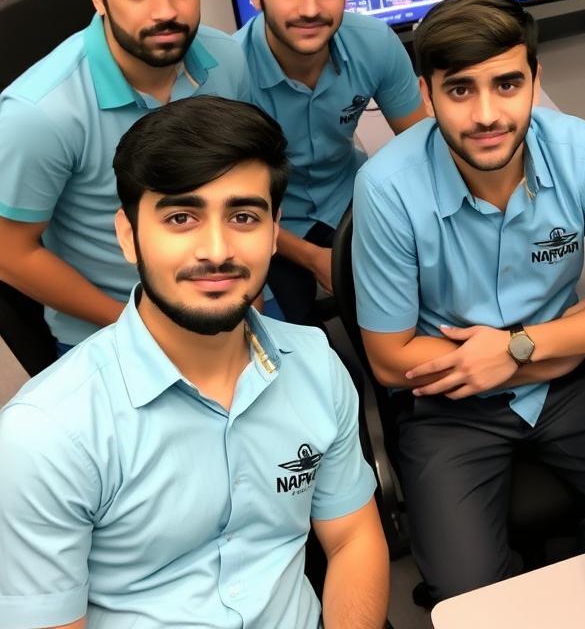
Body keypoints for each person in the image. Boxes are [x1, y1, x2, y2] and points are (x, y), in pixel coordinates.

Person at [0, 96, 389, 629]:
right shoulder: (47, 434)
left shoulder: (316, 364)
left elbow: (352, 538)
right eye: (181, 216)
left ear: (275, 232)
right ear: (127, 235)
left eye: (243, 216)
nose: (216, 249)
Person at [352, 0, 585, 603]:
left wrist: (528, 347)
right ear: (426, 94)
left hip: (565, 383)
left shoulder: (577, 148)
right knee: (466, 593)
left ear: (536, 79)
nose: (486, 115)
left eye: (507, 85)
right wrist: (581, 338)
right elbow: (389, 357)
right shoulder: (386, 188)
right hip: (452, 403)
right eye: (460, 90)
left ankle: (583, 543)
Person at [0, 0, 248, 352]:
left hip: (228, 303)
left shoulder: (229, 59)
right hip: (118, 332)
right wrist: (137, 329)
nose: (166, 11)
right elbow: (10, 255)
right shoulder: (39, 114)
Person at [234, 0, 425, 326]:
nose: (310, 8)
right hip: (264, 221)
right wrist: (315, 259)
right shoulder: (227, 75)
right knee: (283, 340)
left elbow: (422, 148)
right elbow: (226, 207)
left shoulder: (375, 43)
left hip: (350, 195)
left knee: (413, 305)